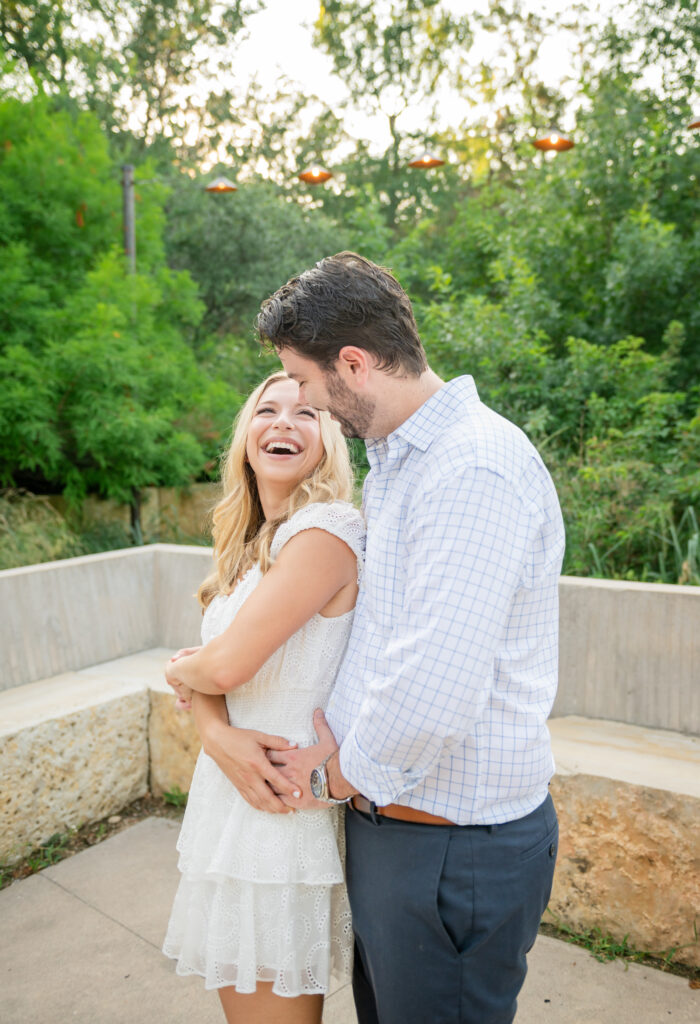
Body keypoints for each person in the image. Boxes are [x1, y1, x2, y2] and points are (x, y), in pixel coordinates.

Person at [248, 251, 566, 1024]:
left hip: (450, 849)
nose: (308, 402)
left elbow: (433, 687)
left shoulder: (471, 469)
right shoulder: (399, 464)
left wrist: (334, 779)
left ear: (353, 364)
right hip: (404, 833)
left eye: (310, 384)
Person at [161, 371, 365, 1024]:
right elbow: (215, 675)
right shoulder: (254, 545)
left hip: (280, 805)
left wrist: (190, 673)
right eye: (267, 410)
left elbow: (222, 668)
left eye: (306, 412)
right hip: (233, 792)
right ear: (245, 438)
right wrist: (216, 731)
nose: (282, 422)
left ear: (329, 437)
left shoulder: (327, 530)